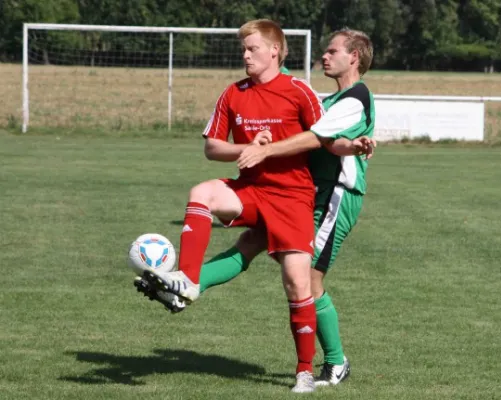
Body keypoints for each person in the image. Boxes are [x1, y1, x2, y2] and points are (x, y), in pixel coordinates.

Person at [146, 28, 376, 387]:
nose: (324, 57)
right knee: (250, 244)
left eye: (332, 51)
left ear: (354, 57)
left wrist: (270, 149)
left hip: (334, 195)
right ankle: (185, 286)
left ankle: (335, 362)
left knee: (308, 280)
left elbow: (322, 139)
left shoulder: (355, 97)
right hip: (291, 193)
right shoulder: (326, 98)